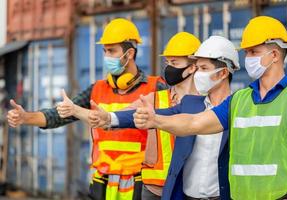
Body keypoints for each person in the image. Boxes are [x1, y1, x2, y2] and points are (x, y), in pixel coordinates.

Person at [134, 16, 287, 200]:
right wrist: (155, 120)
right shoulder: (239, 100)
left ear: (274, 55)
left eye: (253, 52)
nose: (248, 58)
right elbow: (194, 122)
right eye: (247, 53)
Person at [6, 18, 167, 200]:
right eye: (105, 51)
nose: (106, 57)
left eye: (112, 51)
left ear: (129, 54)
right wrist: (26, 118)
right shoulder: (96, 89)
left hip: (139, 183)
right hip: (103, 183)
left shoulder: (156, 88)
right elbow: (58, 115)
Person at [57, 32, 201, 200]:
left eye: (174, 62)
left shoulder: (210, 103)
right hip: (154, 188)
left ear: (192, 67)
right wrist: (89, 113)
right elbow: (122, 116)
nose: (168, 67)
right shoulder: (155, 98)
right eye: (167, 62)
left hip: (193, 188)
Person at [111, 36, 239, 200]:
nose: (198, 73)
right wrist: (110, 118)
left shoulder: (238, 108)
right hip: (179, 194)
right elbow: (148, 115)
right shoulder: (190, 104)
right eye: (198, 68)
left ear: (222, 73)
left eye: (204, 68)